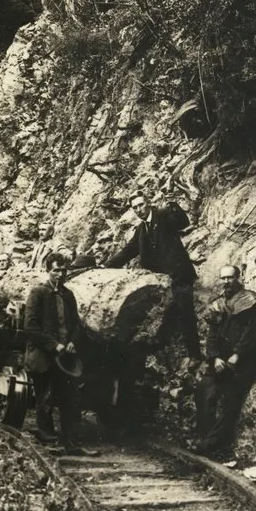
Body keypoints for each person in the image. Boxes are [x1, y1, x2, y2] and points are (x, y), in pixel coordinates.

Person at [105, 191, 201, 358]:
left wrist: (172, 204)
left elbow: (181, 222)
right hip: (161, 279)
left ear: (148, 203)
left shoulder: (162, 216)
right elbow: (128, 251)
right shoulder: (142, 229)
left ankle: (195, 355)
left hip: (179, 275)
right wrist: (105, 266)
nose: (139, 209)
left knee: (186, 313)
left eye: (141, 205)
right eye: (135, 207)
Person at [23, 250, 98, 455]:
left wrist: (73, 342)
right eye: (56, 270)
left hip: (66, 358)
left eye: (63, 270)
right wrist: (53, 345)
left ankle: (72, 443)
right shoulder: (38, 292)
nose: (60, 274)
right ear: (48, 271)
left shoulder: (68, 294)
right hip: (45, 356)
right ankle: (49, 442)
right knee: (45, 399)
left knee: (71, 400)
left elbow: (77, 324)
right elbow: (30, 326)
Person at [195, 264, 256, 460]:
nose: (226, 282)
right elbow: (211, 336)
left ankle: (211, 445)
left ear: (238, 277)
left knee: (230, 402)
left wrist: (237, 354)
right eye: (223, 278)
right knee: (204, 392)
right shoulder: (218, 305)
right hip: (219, 360)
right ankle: (205, 439)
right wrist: (215, 356)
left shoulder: (251, 301)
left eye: (230, 277)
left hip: (241, 363)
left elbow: (252, 333)